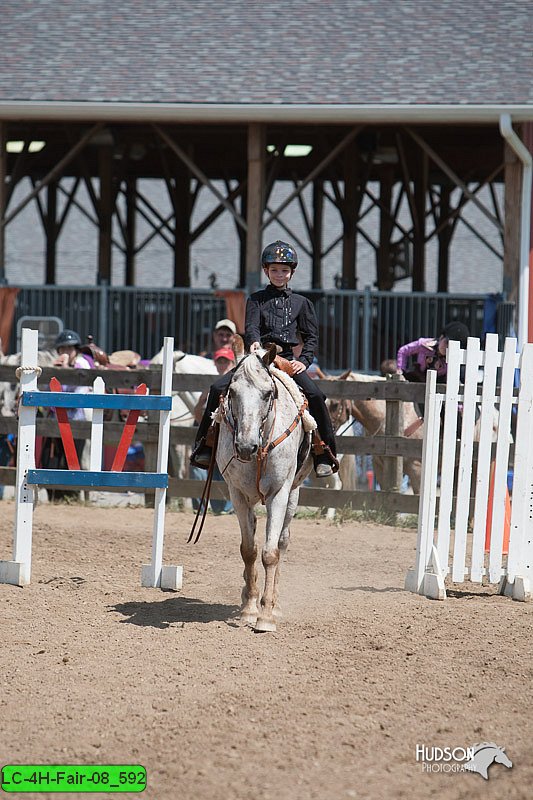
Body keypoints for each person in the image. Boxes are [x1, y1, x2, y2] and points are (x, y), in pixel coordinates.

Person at [190, 240, 339, 478]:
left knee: (316, 396)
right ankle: (205, 446)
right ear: (266, 271)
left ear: (292, 272)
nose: (279, 274)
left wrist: (305, 360)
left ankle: (324, 452)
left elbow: (311, 337)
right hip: (258, 358)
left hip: (287, 360)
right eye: (274, 270)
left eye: (284, 270)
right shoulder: (255, 299)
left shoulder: (302, 303)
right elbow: (251, 327)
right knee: (217, 386)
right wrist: (254, 342)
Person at [40, 329, 93, 500]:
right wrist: (57, 373)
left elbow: (77, 397)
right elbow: (47, 394)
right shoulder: (55, 366)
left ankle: (73, 497)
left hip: (75, 421)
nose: (65, 352)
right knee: (50, 460)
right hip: (56, 420)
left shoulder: (82, 365)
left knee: (73, 463)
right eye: (62, 349)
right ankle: (55, 497)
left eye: (69, 349)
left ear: (76, 350)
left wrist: (64, 372)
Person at [189, 347, 236, 514]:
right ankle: (203, 507)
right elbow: (198, 408)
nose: (222, 364)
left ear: (232, 363)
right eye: (220, 361)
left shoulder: (233, 385)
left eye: (225, 361)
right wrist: (205, 425)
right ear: (215, 363)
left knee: (224, 468)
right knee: (203, 465)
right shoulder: (213, 386)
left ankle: (226, 507)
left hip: (227, 431)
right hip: (213, 430)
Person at [396, 321, 469, 384]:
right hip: (417, 379)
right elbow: (403, 351)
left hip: (440, 384)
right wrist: (401, 369)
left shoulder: (455, 358)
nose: (447, 348)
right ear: (441, 337)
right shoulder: (425, 344)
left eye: (452, 346)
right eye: (447, 343)